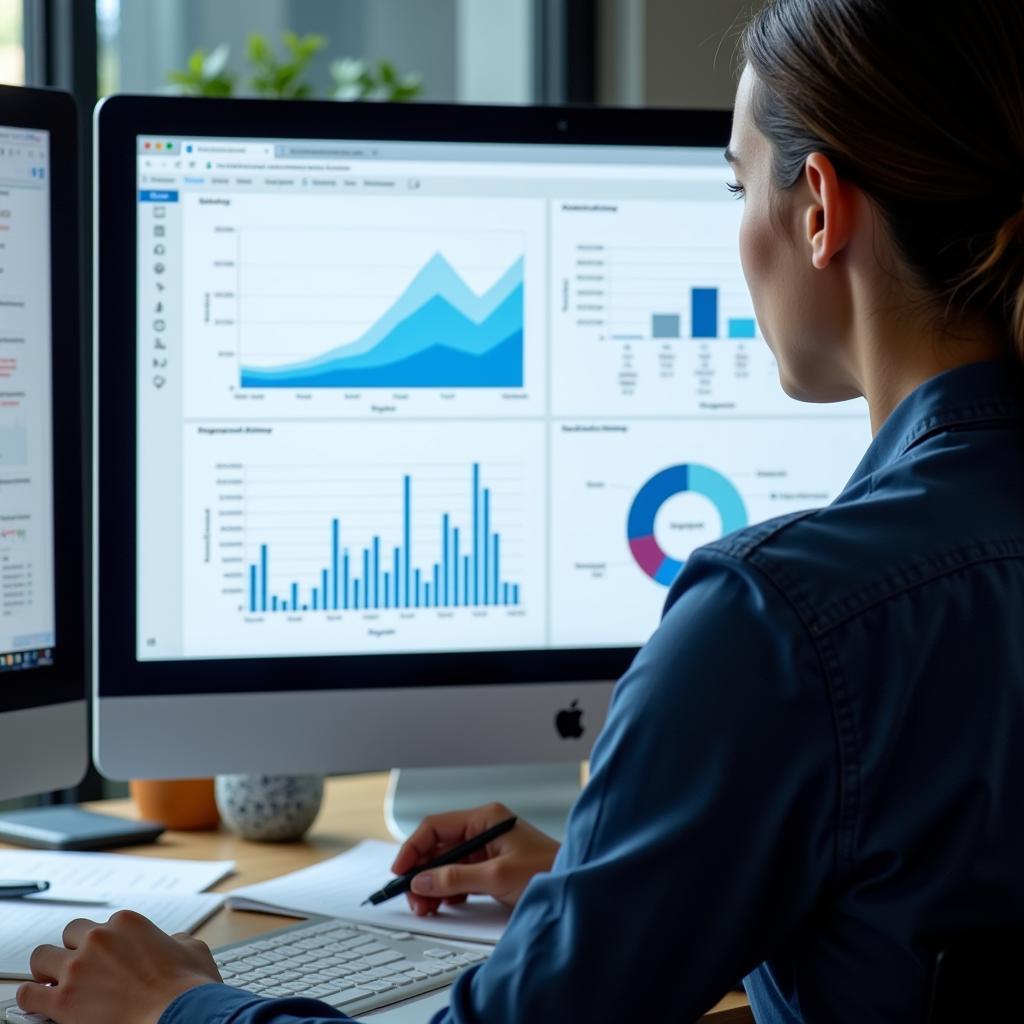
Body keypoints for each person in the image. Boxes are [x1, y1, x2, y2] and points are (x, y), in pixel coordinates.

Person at [17, 0, 1024, 1021]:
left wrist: (173, 1006)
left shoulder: (781, 624)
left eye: (734, 183)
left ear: (816, 208)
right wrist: (609, 886)